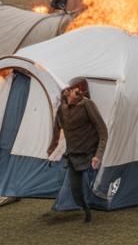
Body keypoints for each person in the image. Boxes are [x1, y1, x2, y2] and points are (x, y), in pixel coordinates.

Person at [46, 82, 107, 223]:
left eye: (82, 93)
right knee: (76, 191)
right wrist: (51, 150)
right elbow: (56, 131)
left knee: (87, 186)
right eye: (77, 92)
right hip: (73, 155)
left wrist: (98, 155)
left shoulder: (87, 105)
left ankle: (92, 208)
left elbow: (103, 131)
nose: (80, 96)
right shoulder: (62, 110)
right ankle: (86, 210)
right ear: (68, 91)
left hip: (90, 154)